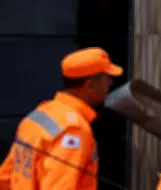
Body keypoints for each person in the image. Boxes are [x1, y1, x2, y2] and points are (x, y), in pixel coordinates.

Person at [0, 48, 123, 190]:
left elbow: (5, 178)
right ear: (90, 85)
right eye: (106, 77)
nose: (110, 82)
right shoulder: (74, 129)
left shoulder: (40, 115)